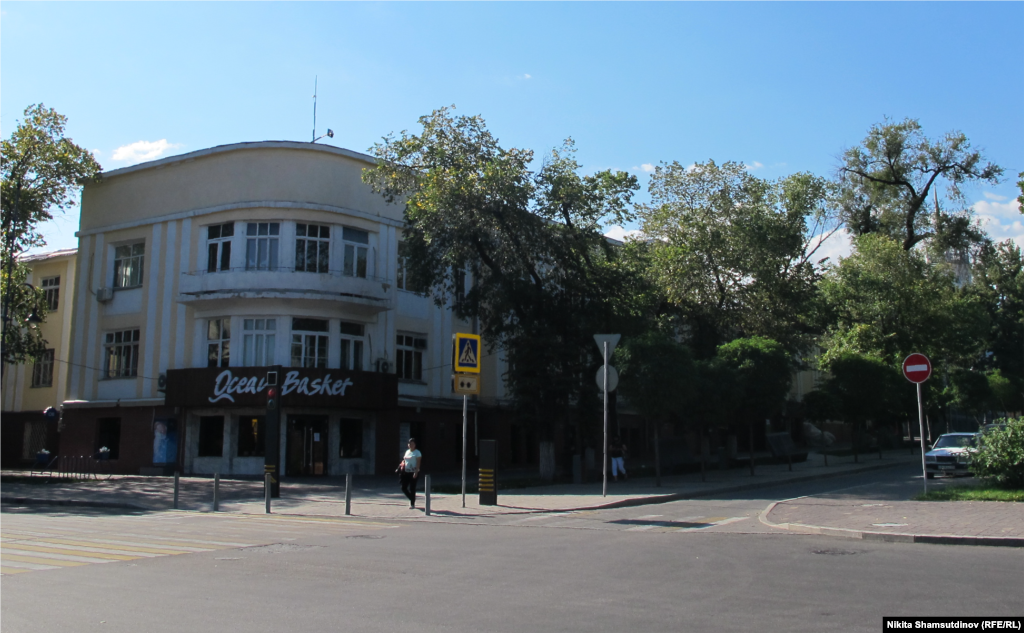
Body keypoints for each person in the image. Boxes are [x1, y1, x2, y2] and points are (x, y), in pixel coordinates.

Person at [398, 438, 423, 508]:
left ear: (415, 445)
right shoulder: (407, 452)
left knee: (412, 488)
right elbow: (404, 460)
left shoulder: (417, 453)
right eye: (409, 444)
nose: (410, 445)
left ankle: (412, 503)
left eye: (412, 444)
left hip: (413, 472)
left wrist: (416, 472)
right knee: (403, 487)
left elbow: (418, 463)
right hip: (406, 472)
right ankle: (412, 498)